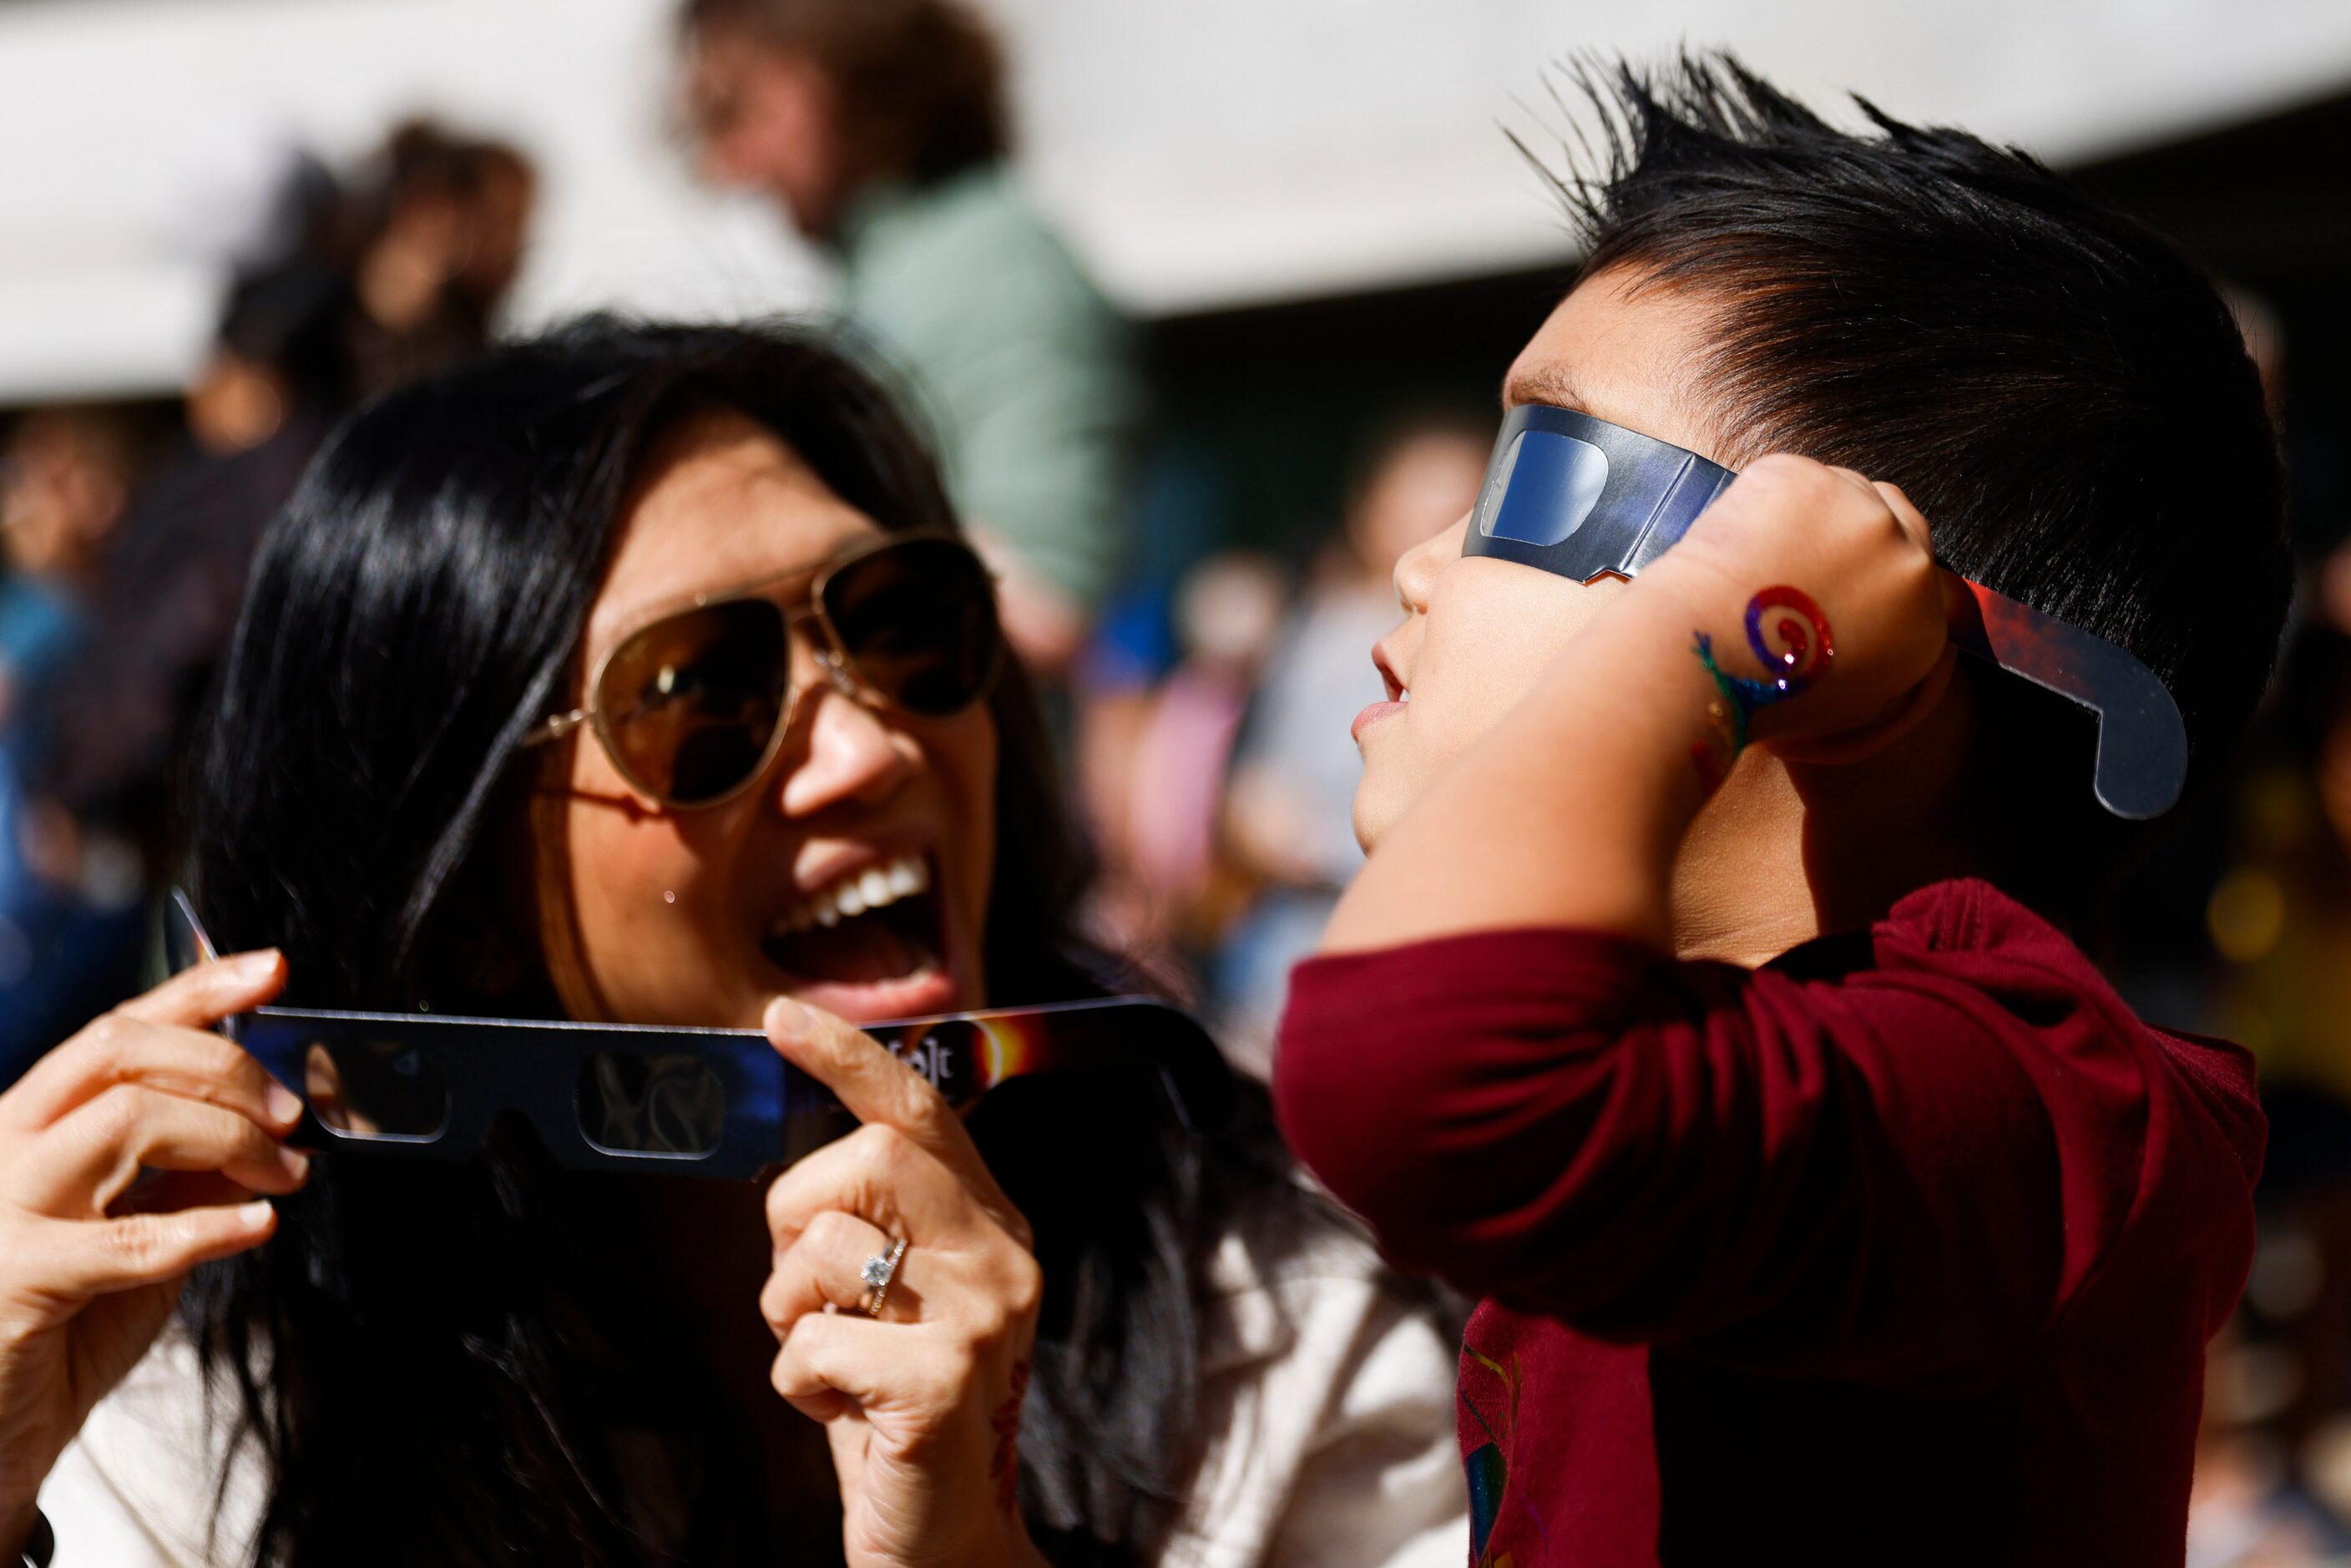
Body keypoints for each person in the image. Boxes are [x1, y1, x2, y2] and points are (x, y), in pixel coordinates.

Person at [0, 321, 1464, 1567]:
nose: (871, 743)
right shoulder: (189, 1426)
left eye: (903, 624)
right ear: (463, 897)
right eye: (699, 687)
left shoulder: (1259, 1324)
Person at [1274, 57, 2289, 1565]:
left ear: (1835, 625)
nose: (1421, 559)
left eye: (1537, 476)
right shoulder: (1699, 1065)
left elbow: (1419, 1072)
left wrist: (1711, 626)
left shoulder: (2028, 1103)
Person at [680, 0, 1138, 679]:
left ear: (848, 82)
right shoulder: (899, 271)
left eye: (741, 110)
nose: (731, 166)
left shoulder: (993, 265)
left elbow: (1042, 602)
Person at [1215, 416, 1490, 1062]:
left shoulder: (1475, 649)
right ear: (1369, 510)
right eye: (1414, 503)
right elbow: (1256, 771)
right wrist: (1247, 813)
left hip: (1393, 966)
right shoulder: (1311, 628)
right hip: (1275, 966)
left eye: (1455, 510)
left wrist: (1324, 845)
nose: (1428, 534)